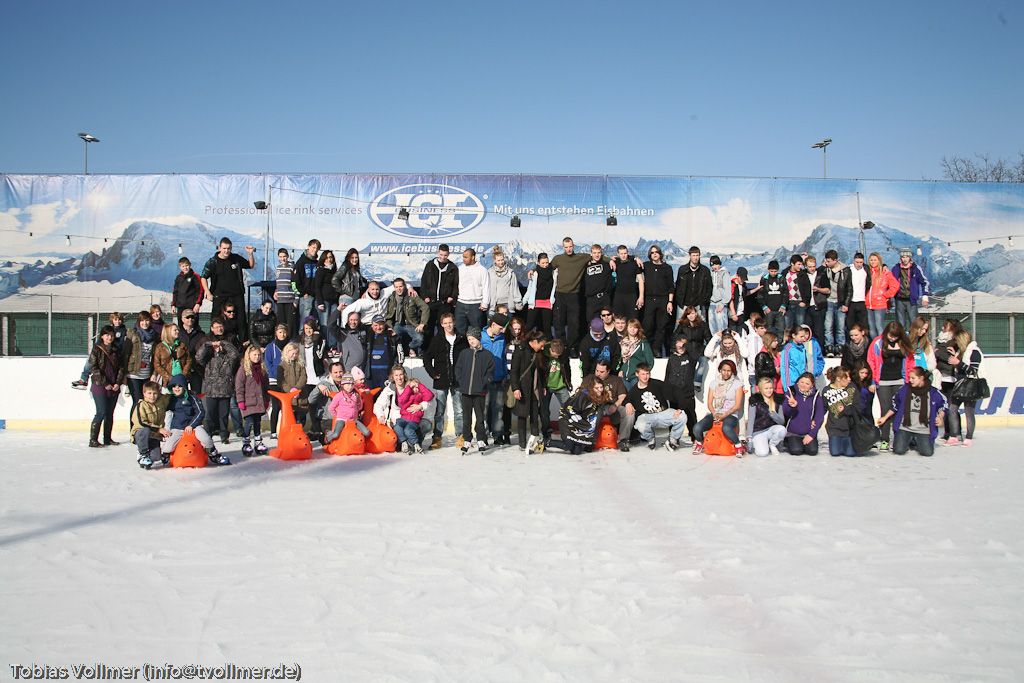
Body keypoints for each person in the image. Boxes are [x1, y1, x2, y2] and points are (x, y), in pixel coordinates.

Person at [877, 367, 947, 457]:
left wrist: (940, 416)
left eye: (913, 378)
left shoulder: (933, 392)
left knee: (927, 453)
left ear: (921, 378)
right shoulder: (905, 389)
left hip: (923, 429)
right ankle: (909, 440)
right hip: (905, 427)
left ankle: (917, 440)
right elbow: (895, 405)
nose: (910, 380)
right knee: (899, 450)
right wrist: (885, 417)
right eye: (910, 378)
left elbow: (943, 405)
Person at [868, 321, 916, 451]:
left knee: (898, 410)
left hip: (900, 381)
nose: (892, 338)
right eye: (890, 335)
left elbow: (911, 362)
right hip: (882, 381)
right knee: (885, 410)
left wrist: (909, 380)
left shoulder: (904, 343)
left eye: (895, 336)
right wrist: (872, 381)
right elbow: (871, 362)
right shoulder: (877, 343)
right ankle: (885, 440)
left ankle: (898, 438)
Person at [423, 312, 467, 449]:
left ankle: (461, 436)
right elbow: (427, 358)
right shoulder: (437, 340)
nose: (448, 325)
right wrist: (433, 373)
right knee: (440, 411)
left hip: (458, 380)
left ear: (454, 322)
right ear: (441, 325)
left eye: (450, 322)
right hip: (441, 379)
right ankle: (437, 437)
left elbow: (468, 357)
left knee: (459, 410)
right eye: (445, 323)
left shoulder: (462, 339)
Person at [163, 374, 229, 466]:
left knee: (206, 439)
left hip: (194, 426)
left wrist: (192, 425)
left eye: (180, 386)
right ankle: (165, 456)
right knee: (168, 446)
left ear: (184, 386)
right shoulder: (170, 399)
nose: (177, 388)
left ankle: (213, 454)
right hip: (177, 427)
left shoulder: (192, 398)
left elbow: (200, 412)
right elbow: (162, 408)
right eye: (174, 386)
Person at [194, 317, 241, 444]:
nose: (217, 348)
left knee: (224, 414)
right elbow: (198, 357)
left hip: (225, 389)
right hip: (212, 389)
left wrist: (223, 343)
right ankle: (209, 432)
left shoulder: (228, 357)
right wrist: (208, 345)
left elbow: (235, 354)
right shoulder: (208, 358)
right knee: (210, 414)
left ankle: (224, 434)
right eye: (216, 327)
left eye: (221, 326)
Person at [201, 237, 256, 344]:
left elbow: (250, 265)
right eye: (224, 248)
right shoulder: (213, 261)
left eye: (228, 248)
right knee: (216, 319)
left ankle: (243, 343)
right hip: (219, 295)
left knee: (241, 319)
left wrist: (250, 254)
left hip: (236, 294)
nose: (226, 251)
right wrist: (208, 292)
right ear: (219, 248)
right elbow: (203, 277)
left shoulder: (235, 259)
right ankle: (214, 342)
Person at [627, 362, 689, 450]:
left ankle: (673, 439)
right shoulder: (634, 391)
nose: (645, 377)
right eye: (643, 374)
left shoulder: (656, 384)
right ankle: (650, 438)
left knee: (682, 417)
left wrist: (681, 408)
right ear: (637, 374)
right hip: (648, 416)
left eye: (647, 373)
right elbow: (627, 399)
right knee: (640, 425)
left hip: (663, 413)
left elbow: (675, 389)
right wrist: (628, 403)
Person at [549, 237, 594, 356]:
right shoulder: (558, 259)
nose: (569, 249)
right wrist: (533, 270)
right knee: (559, 322)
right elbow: (547, 268)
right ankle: (561, 347)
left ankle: (572, 347)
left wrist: (610, 260)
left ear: (574, 246)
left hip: (574, 295)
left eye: (570, 246)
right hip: (560, 294)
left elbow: (596, 256)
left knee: (574, 323)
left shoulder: (581, 257)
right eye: (566, 247)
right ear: (563, 247)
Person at [454, 327, 495, 454]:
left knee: (480, 417)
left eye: (473, 339)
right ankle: (467, 439)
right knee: (466, 417)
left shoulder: (487, 355)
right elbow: (458, 368)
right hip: (466, 391)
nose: (471, 341)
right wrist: (461, 381)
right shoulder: (464, 353)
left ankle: (481, 439)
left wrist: (484, 382)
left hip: (480, 392)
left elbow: (490, 372)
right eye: (469, 339)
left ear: (479, 338)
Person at [693, 359, 745, 455]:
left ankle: (738, 445)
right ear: (720, 370)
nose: (726, 373)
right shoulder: (714, 383)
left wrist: (724, 415)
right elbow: (709, 403)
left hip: (730, 414)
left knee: (726, 428)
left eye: (729, 371)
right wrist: (714, 414)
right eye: (724, 370)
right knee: (697, 427)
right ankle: (700, 442)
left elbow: (738, 405)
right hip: (716, 413)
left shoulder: (737, 384)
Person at [509, 331, 548, 452]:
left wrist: (543, 386)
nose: (542, 348)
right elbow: (514, 371)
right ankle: (522, 442)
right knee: (522, 416)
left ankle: (535, 441)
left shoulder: (538, 353)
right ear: (535, 342)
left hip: (535, 388)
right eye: (541, 345)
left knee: (534, 417)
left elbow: (541, 371)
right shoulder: (520, 350)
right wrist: (516, 388)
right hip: (522, 388)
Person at [944, 329, 984, 447]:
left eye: (957, 341)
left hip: (971, 386)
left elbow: (973, 371)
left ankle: (969, 437)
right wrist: (955, 357)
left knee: (969, 412)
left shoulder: (974, 352)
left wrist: (958, 362)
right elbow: (960, 366)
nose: (955, 343)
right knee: (952, 409)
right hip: (960, 384)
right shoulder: (962, 352)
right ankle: (954, 436)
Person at [553, 375, 612, 455]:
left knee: (577, 451)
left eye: (601, 387)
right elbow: (569, 409)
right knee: (568, 446)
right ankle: (543, 442)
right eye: (596, 388)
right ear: (591, 388)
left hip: (579, 423)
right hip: (567, 419)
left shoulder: (600, 397)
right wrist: (581, 423)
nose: (599, 390)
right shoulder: (582, 396)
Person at [87, 325, 125, 448]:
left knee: (109, 413)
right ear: (102, 336)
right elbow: (94, 368)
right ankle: (93, 440)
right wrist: (105, 383)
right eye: (107, 335)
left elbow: (121, 368)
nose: (109, 337)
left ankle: (107, 438)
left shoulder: (116, 350)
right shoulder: (96, 350)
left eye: (111, 335)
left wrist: (117, 383)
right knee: (101, 412)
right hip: (100, 386)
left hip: (113, 386)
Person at [73, 312, 128, 390]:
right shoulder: (107, 329)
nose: (118, 322)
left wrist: (112, 346)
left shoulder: (123, 331)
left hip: (113, 352)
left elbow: (121, 343)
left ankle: (126, 385)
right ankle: (84, 379)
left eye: (119, 320)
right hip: (103, 350)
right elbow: (99, 341)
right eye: (115, 320)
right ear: (112, 320)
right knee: (90, 360)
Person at [420, 244, 459, 349]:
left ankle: (443, 349)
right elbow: (424, 282)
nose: (443, 257)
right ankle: (427, 350)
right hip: (431, 302)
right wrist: (425, 296)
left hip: (444, 303)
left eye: (445, 255)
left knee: (443, 328)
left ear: (448, 254)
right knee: (428, 327)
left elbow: (455, 284)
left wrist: (452, 297)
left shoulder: (452, 267)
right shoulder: (430, 265)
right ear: (438, 253)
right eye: (441, 255)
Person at [235, 344, 270, 457]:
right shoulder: (243, 370)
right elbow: (239, 386)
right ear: (248, 355)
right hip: (248, 402)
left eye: (258, 355)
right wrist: (240, 401)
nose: (257, 357)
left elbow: (266, 386)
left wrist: (266, 400)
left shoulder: (262, 370)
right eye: (254, 355)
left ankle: (258, 441)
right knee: (249, 422)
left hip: (259, 401)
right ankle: (246, 442)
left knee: (257, 422)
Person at [934, 318, 965, 443]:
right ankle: (947, 432)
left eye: (945, 326)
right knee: (944, 406)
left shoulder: (955, 341)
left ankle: (956, 432)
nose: (942, 328)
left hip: (951, 377)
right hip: (941, 376)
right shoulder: (940, 340)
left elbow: (951, 359)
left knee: (953, 407)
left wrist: (939, 354)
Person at [480, 313, 509, 445]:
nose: (502, 331)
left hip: (498, 379)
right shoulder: (481, 337)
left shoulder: (502, 338)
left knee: (498, 409)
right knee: (484, 409)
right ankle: (483, 435)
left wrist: (504, 375)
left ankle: (497, 435)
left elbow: (503, 358)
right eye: (501, 328)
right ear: (493, 325)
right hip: (484, 380)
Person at [641, 244, 675, 357]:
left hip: (663, 299)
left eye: (656, 252)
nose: (654, 254)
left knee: (661, 326)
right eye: (652, 252)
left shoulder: (667, 268)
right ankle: (648, 348)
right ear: (649, 255)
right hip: (650, 299)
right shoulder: (646, 266)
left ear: (660, 254)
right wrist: (635, 258)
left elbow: (671, 286)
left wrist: (670, 302)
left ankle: (656, 348)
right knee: (648, 325)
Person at [663, 336, 698, 444]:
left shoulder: (690, 358)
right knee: (674, 417)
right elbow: (668, 374)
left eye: (683, 345)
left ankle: (695, 437)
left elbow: (696, 355)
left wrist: (685, 345)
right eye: (679, 345)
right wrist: (666, 390)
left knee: (691, 416)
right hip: (674, 393)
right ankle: (674, 438)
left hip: (687, 393)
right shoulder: (672, 357)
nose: (681, 348)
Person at [384, 277, 429, 358]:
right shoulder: (392, 297)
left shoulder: (412, 295)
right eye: (396, 287)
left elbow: (425, 307)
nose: (399, 289)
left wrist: (422, 324)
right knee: (391, 339)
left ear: (405, 286)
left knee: (419, 339)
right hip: (398, 324)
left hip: (411, 324)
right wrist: (389, 327)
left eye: (400, 286)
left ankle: (411, 348)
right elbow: (389, 315)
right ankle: (395, 357)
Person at [124, 311, 158, 417]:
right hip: (133, 374)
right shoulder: (133, 334)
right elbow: (125, 354)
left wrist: (154, 373)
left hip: (147, 374)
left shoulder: (154, 336)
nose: (145, 323)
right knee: (137, 401)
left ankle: (144, 424)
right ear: (138, 322)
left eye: (147, 320)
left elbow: (156, 357)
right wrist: (124, 374)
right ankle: (134, 425)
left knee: (146, 401)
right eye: (142, 321)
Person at [822, 366, 862, 456]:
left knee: (850, 453)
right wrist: (814, 420)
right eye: (846, 377)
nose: (849, 379)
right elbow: (823, 408)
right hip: (834, 428)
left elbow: (858, 407)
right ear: (838, 378)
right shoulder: (827, 390)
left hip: (850, 428)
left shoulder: (852, 388)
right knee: (835, 452)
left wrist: (845, 409)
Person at [130, 381, 170, 469]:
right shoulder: (141, 405)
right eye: (149, 393)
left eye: (155, 393)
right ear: (144, 393)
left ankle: (149, 455)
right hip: (141, 433)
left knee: (156, 457)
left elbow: (173, 395)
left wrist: (187, 392)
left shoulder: (162, 401)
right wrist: (159, 429)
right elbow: (142, 423)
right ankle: (142, 454)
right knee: (145, 430)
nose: (152, 396)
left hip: (154, 435)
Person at [782, 372, 825, 455]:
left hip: (808, 432)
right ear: (798, 381)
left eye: (807, 384)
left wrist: (811, 435)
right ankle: (788, 442)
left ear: (812, 385)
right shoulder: (791, 392)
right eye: (802, 382)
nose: (803, 385)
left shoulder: (816, 396)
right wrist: (792, 406)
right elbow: (786, 413)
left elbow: (819, 417)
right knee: (796, 450)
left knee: (812, 451)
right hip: (793, 432)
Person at [325, 373, 373, 446]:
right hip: (342, 419)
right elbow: (331, 408)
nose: (350, 387)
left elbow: (360, 404)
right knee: (336, 434)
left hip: (353, 419)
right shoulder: (339, 396)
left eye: (351, 385)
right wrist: (338, 416)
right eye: (347, 385)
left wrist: (356, 412)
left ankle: (359, 444)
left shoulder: (356, 395)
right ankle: (328, 435)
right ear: (343, 385)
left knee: (367, 432)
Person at [542, 338, 572, 447]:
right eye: (555, 355)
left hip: (561, 385)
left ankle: (570, 431)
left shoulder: (563, 354)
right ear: (550, 350)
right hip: (547, 386)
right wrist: (542, 386)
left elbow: (567, 368)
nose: (557, 357)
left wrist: (568, 382)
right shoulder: (543, 355)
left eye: (559, 355)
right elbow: (540, 371)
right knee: (545, 412)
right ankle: (547, 433)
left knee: (569, 408)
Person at [674, 306, 712, 390]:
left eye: (692, 313)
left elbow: (708, 338)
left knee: (703, 361)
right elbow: (675, 337)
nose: (691, 316)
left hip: (699, 349)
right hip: (687, 350)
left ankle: (697, 382)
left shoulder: (702, 324)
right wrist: (677, 348)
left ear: (696, 314)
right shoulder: (683, 325)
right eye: (688, 314)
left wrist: (711, 352)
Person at [891, 247, 930, 330]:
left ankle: (914, 338)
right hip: (899, 300)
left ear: (910, 258)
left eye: (907, 257)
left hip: (911, 301)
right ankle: (902, 338)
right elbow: (890, 282)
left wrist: (925, 296)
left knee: (914, 324)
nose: (905, 259)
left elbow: (924, 282)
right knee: (900, 325)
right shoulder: (896, 268)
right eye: (903, 257)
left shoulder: (916, 269)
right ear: (901, 258)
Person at [747, 378, 787, 457]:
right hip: (758, 431)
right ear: (761, 389)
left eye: (771, 388)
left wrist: (774, 415)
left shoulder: (777, 400)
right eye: (766, 388)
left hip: (771, 430)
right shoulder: (755, 400)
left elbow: (782, 422)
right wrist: (749, 438)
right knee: (762, 453)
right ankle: (760, 442)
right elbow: (751, 421)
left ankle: (772, 444)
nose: (769, 391)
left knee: (782, 430)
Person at [780, 324, 825, 390]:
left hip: (803, 383)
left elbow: (805, 366)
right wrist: (787, 388)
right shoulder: (788, 349)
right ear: (794, 335)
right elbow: (785, 369)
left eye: (804, 336)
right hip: (792, 383)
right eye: (801, 337)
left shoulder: (802, 348)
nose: (804, 339)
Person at [276, 341, 309, 435]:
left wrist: (297, 389)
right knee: (290, 419)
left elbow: (303, 378)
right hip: (288, 399)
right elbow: (281, 381)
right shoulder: (281, 366)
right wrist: (290, 390)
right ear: (287, 353)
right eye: (292, 353)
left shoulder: (301, 365)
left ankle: (299, 435)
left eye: (296, 353)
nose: (294, 355)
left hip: (301, 397)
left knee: (301, 418)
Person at [264, 324, 290, 438]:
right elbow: (268, 363)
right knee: (276, 406)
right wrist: (276, 374)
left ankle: (286, 430)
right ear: (276, 333)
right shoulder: (271, 347)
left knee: (286, 406)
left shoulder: (290, 345)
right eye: (280, 332)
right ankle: (273, 432)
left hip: (287, 380)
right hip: (274, 380)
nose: (282, 335)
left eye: (284, 332)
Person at [455, 248, 490, 334]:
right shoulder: (460, 269)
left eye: (466, 257)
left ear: (473, 257)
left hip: (476, 305)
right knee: (460, 332)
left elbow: (486, 287)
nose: (464, 259)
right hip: (461, 304)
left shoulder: (482, 270)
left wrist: (485, 303)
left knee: (477, 331)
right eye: (463, 257)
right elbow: (455, 285)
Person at [865, 252, 899, 339]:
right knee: (871, 327)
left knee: (879, 327)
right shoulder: (867, 271)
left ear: (879, 261)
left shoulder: (885, 273)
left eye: (875, 260)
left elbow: (895, 286)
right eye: (871, 260)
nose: (873, 262)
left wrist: (885, 294)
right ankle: (874, 345)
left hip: (879, 304)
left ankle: (881, 344)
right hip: (868, 304)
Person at [363, 315, 402, 390]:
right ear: (372, 326)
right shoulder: (368, 337)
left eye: (380, 325)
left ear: (384, 324)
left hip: (386, 373)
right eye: (375, 325)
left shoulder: (391, 337)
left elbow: (399, 355)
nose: (378, 327)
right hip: (371, 374)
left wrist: (395, 338)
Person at [674, 246, 712, 322]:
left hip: (699, 305)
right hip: (683, 304)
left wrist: (704, 300)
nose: (695, 258)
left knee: (701, 325)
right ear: (689, 256)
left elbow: (709, 287)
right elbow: (678, 285)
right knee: (680, 324)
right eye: (693, 255)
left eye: (697, 255)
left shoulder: (705, 271)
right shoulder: (683, 270)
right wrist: (679, 299)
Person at [822, 250, 849, 357]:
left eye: (829, 261)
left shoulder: (845, 270)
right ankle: (829, 347)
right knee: (828, 326)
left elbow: (849, 288)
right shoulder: (825, 270)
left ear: (835, 260)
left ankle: (840, 347)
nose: (827, 263)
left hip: (840, 302)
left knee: (840, 327)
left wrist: (846, 303)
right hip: (829, 301)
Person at [290, 239, 320, 331]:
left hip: (316, 296)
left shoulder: (316, 262)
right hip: (306, 297)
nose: (315, 250)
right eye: (313, 247)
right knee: (304, 322)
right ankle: (302, 338)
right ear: (308, 247)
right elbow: (294, 281)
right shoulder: (301, 262)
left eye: (317, 248)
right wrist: (302, 293)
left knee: (315, 322)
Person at [524, 252, 557, 336]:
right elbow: (530, 289)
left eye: (547, 262)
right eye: (543, 263)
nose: (545, 265)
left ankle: (548, 343)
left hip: (547, 302)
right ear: (538, 263)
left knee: (547, 327)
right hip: (535, 302)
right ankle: (524, 342)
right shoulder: (535, 274)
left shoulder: (553, 273)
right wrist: (523, 302)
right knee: (529, 326)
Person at [580, 244, 613, 326]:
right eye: (594, 253)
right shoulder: (585, 266)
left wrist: (635, 258)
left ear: (601, 253)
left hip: (604, 297)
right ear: (591, 254)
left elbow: (622, 259)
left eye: (598, 253)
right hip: (591, 299)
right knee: (592, 322)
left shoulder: (606, 264)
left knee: (607, 321)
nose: (597, 255)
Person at [618, 318, 655, 390]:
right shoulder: (622, 343)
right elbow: (623, 360)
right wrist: (622, 369)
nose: (632, 329)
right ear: (627, 328)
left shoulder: (642, 343)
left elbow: (650, 361)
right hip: (624, 376)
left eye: (635, 327)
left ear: (638, 329)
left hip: (636, 377)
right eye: (631, 327)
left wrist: (643, 373)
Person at [152, 322, 192, 387]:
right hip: (167, 380)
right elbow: (157, 364)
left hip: (181, 379)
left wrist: (184, 375)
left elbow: (189, 360)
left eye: (178, 330)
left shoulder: (182, 345)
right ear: (168, 332)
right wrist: (168, 376)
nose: (177, 332)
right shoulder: (160, 347)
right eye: (175, 330)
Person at [487, 247, 523, 318]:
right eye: (498, 260)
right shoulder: (489, 272)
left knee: (508, 324)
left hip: (507, 304)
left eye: (502, 260)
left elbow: (515, 288)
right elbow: (486, 288)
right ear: (494, 260)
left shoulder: (510, 272)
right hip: (494, 305)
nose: (501, 262)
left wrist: (518, 303)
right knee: (493, 324)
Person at [313, 250, 339, 349]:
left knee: (333, 323)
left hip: (334, 301)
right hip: (324, 301)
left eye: (331, 257)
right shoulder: (320, 271)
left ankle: (333, 346)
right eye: (327, 257)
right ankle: (324, 346)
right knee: (324, 324)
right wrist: (320, 302)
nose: (329, 259)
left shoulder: (335, 272)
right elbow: (317, 287)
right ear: (323, 259)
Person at [611, 245, 644, 320]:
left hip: (631, 295)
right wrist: (610, 260)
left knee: (633, 319)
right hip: (619, 295)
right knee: (618, 319)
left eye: (625, 253)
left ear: (627, 253)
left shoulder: (634, 264)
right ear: (618, 254)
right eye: (621, 254)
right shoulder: (616, 263)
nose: (623, 256)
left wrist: (641, 297)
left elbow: (641, 281)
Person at [805, 255, 830, 351]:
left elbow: (828, 290)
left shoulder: (821, 275)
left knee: (819, 331)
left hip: (818, 306)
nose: (812, 269)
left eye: (814, 266)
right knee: (807, 331)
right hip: (807, 307)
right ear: (806, 266)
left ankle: (820, 351)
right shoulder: (803, 275)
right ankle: (808, 350)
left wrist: (818, 289)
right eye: (810, 267)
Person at [780, 254, 811, 330]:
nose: (800, 266)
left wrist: (804, 301)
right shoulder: (785, 273)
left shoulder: (803, 274)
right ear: (792, 264)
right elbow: (782, 289)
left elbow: (807, 288)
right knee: (787, 327)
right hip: (788, 304)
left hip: (799, 304)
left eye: (801, 264)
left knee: (799, 327)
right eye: (798, 264)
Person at [273, 248, 298, 339]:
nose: (282, 259)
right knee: (281, 323)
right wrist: (276, 291)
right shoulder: (278, 268)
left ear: (287, 256)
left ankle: (291, 341)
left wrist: (296, 299)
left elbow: (295, 283)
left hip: (290, 299)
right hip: (280, 299)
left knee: (291, 324)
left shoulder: (292, 267)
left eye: (284, 256)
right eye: (280, 257)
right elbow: (279, 282)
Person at [171, 256, 204, 327]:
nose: (185, 268)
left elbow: (200, 291)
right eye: (183, 266)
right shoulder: (179, 277)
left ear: (190, 265)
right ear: (180, 267)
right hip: (181, 306)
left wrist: (198, 303)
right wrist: (173, 305)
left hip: (191, 306)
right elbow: (175, 292)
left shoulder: (195, 276)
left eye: (186, 265)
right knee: (181, 326)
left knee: (193, 326)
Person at [844, 252, 870, 340]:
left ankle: (865, 344)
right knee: (850, 326)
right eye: (857, 262)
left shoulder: (866, 269)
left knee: (864, 325)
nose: (859, 264)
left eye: (861, 262)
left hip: (862, 302)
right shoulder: (848, 270)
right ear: (853, 261)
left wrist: (885, 267)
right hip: (851, 302)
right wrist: (845, 303)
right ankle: (850, 344)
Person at [757, 260, 787, 335]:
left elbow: (786, 293)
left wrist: (784, 305)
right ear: (768, 270)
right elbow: (760, 295)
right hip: (769, 310)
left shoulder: (781, 278)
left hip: (779, 310)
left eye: (775, 271)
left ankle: (780, 342)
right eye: (772, 271)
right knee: (768, 330)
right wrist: (764, 306)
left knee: (781, 330)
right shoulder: (764, 279)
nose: (773, 273)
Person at [707, 254, 731, 335]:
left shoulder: (724, 273)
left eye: (716, 264)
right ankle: (715, 341)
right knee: (712, 326)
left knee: (722, 326)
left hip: (721, 303)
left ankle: (723, 341)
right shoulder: (711, 273)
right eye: (713, 265)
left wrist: (722, 304)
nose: (715, 266)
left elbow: (727, 290)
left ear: (720, 264)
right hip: (712, 303)